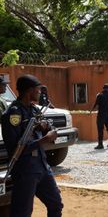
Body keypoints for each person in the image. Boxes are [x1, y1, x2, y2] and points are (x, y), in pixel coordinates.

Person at [1, 74, 63, 217]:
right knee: (22, 212)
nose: (40, 92)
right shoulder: (12, 114)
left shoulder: (34, 110)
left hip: (41, 166)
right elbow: (17, 149)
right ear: (30, 91)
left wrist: (45, 126)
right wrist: (45, 140)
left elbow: (45, 125)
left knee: (56, 204)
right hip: (25, 170)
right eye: (38, 90)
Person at [91, 83, 108, 149]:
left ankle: (100, 144)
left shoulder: (100, 95)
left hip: (101, 115)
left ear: (103, 89)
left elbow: (96, 104)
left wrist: (91, 110)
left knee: (100, 129)